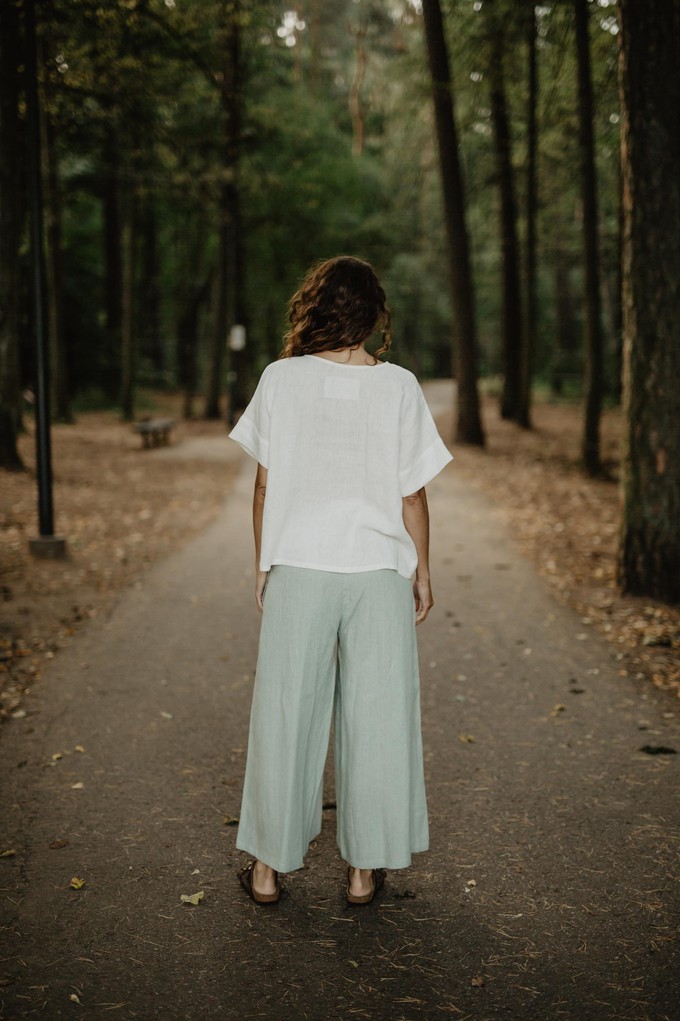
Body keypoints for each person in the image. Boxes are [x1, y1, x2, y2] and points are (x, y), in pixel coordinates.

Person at [228, 256, 453, 906]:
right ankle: (362, 873)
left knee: (285, 712)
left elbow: (264, 487)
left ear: (315, 307)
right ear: (373, 314)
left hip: (301, 564)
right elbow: (412, 497)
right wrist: (424, 569)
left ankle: (268, 871)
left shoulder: (280, 379)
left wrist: (264, 561)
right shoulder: (402, 387)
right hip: (378, 572)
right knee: (377, 715)